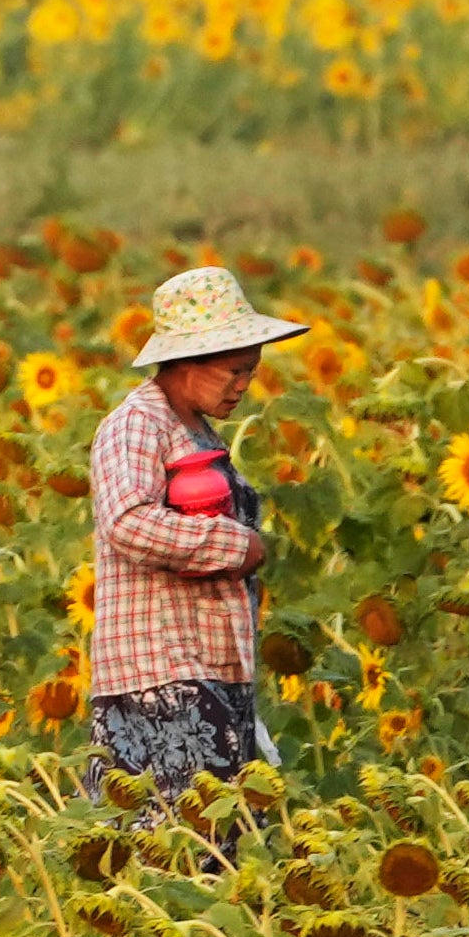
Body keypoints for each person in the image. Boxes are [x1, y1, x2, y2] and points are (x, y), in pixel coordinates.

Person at [86, 263, 304, 815]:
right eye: (234, 370)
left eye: (250, 371)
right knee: (177, 842)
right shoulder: (138, 424)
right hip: (159, 671)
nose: (244, 385)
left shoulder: (195, 431)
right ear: (188, 359)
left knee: (220, 839)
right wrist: (238, 547)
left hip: (211, 663)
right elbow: (127, 521)